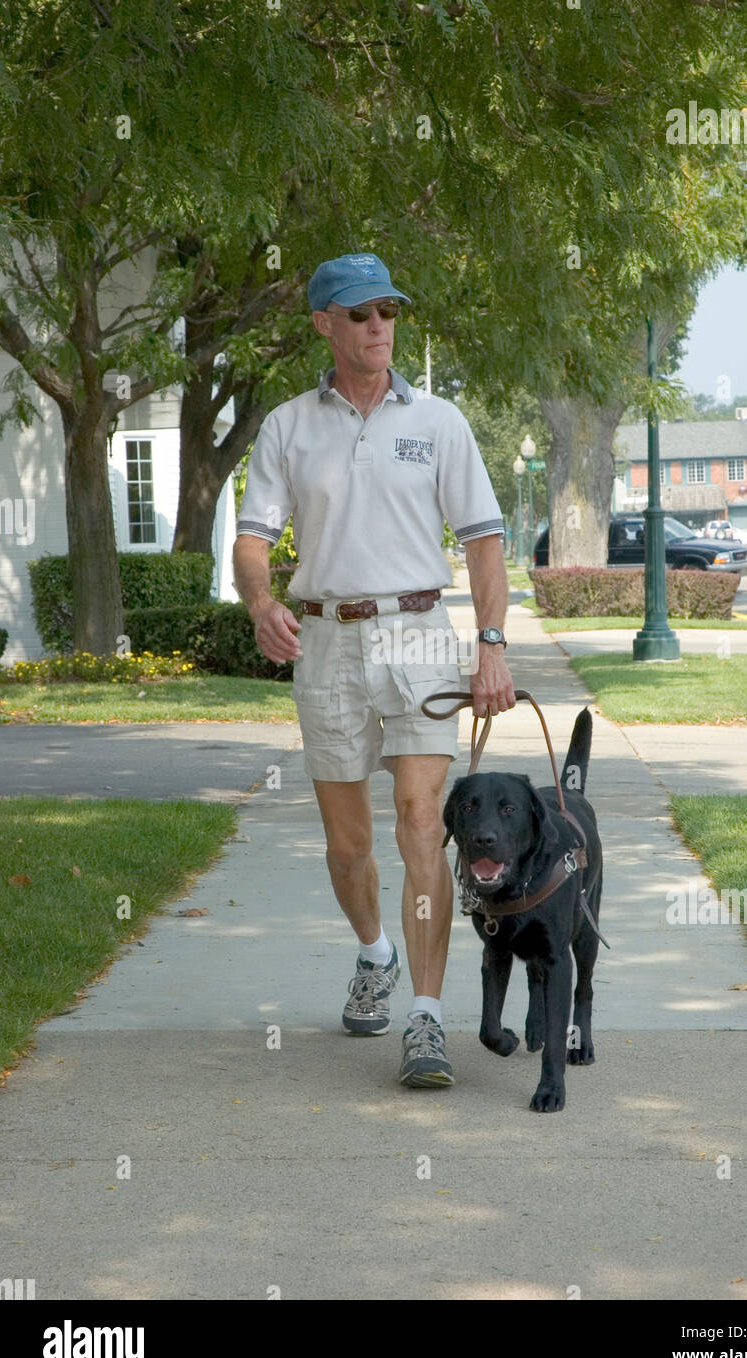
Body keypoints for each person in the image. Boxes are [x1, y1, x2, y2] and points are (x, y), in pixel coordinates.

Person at [232, 252, 515, 1088]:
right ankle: (375, 953)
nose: (378, 327)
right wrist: (260, 602)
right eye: (359, 315)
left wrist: (491, 642)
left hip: (422, 633)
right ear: (324, 323)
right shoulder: (288, 426)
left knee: (422, 822)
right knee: (349, 843)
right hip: (325, 641)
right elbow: (252, 537)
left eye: (387, 311)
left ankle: (426, 1021)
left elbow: (484, 540)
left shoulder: (441, 421)